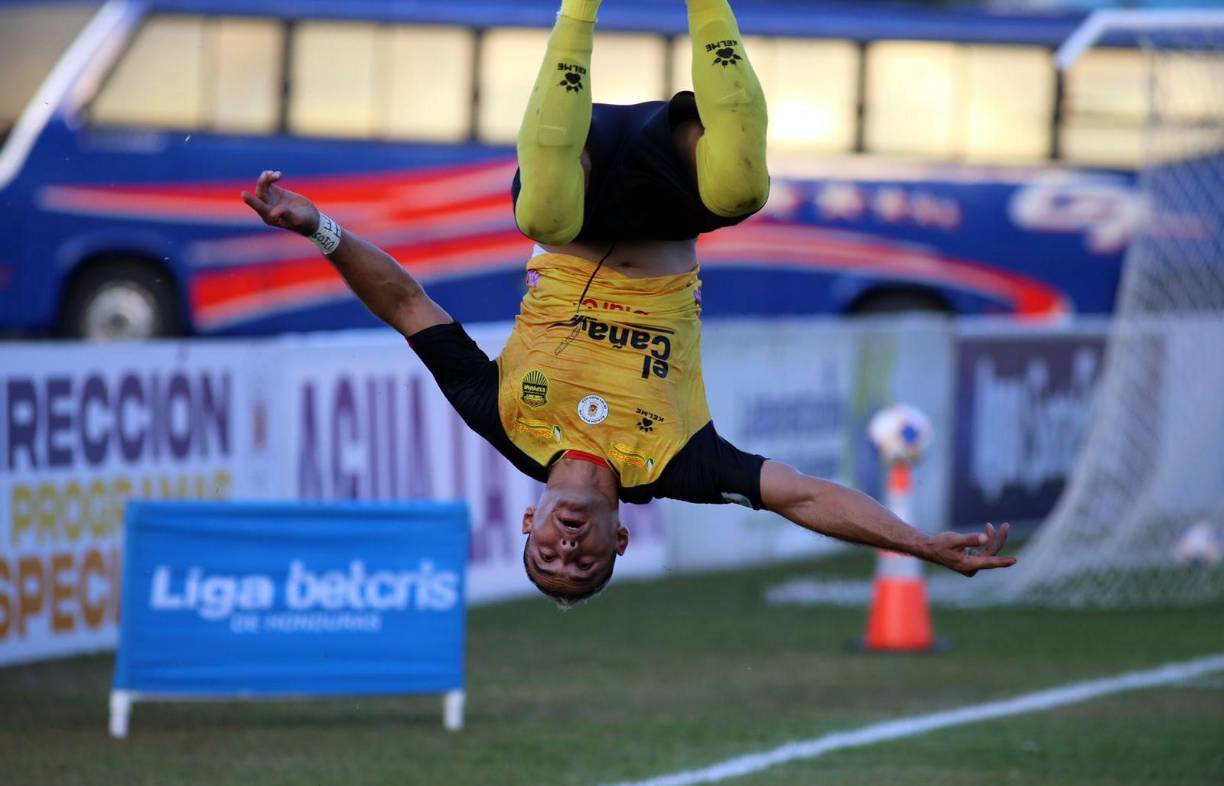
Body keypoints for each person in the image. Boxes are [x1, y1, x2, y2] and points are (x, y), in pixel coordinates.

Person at [242, 0, 1015, 607]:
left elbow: (407, 304)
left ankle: (579, 6)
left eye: (547, 552)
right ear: (619, 539)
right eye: (580, 561)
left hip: (571, 184)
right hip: (666, 195)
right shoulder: (677, 462)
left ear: (529, 521)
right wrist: (920, 544)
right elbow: (806, 495)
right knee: (743, 187)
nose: (565, 547)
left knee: (539, 211)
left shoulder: (503, 416)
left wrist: (320, 227)